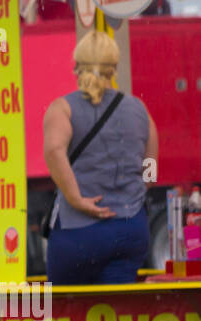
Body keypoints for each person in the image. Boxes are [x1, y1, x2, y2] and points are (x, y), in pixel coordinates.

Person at [43, 30, 158, 285]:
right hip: (130, 230)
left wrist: (77, 199)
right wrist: (139, 189)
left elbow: (53, 150)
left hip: (78, 234)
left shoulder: (63, 108)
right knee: (115, 313)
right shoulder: (140, 109)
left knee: (68, 315)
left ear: (77, 65)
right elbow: (150, 167)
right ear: (114, 67)